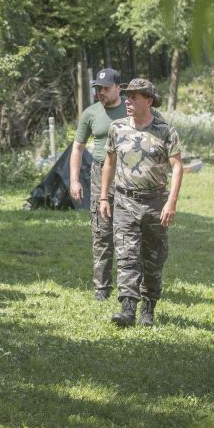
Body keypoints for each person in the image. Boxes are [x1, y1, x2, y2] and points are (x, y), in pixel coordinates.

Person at [99, 78, 183, 327]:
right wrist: (104, 196)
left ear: (148, 100)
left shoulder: (165, 131)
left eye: (134, 96)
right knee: (126, 256)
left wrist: (171, 202)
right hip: (125, 201)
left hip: (156, 203)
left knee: (153, 259)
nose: (128, 100)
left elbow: (177, 166)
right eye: (127, 96)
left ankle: (148, 308)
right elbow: (110, 163)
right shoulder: (117, 128)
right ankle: (127, 309)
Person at [70, 68, 126, 300]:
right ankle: (102, 289)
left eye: (105, 88)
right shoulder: (90, 113)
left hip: (128, 174)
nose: (101, 92)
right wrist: (74, 179)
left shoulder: (130, 109)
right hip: (99, 173)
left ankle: (129, 288)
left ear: (118, 88)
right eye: (97, 89)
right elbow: (78, 147)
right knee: (102, 232)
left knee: (128, 233)